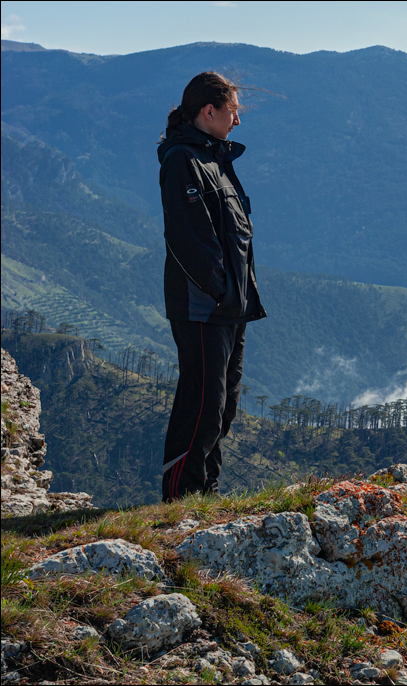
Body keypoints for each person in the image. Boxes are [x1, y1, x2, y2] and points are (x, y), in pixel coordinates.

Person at [157, 72, 267, 502]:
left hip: (230, 308)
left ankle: (206, 493)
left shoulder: (214, 159)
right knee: (201, 407)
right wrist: (221, 290)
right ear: (210, 111)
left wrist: (236, 298)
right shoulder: (182, 160)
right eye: (233, 112)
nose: (237, 122)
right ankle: (180, 499)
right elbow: (188, 239)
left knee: (223, 408)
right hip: (203, 309)